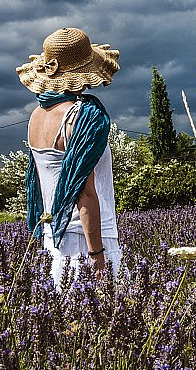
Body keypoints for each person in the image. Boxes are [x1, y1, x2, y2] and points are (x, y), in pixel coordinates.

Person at [16, 27, 122, 286]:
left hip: (56, 234)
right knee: (107, 315)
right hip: (88, 237)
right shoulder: (83, 117)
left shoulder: (36, 117)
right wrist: (97, 255)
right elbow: (84, 193)